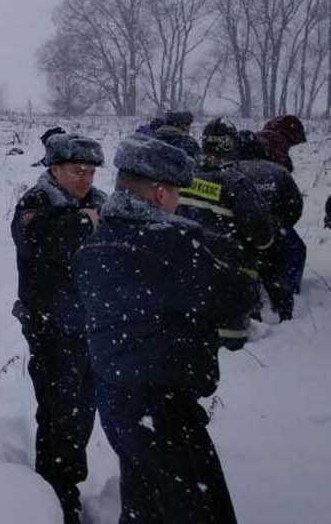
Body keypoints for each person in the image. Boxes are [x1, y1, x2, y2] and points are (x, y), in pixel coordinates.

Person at [75, 134, 256, 524]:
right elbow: (239, 298)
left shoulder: (97, 240)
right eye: (174, 193)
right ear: (159, 194)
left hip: (115, 399)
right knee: (200, 512)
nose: (177, 202)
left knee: (144, 503)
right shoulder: (175, 245)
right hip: (164, 408)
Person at [11, 132, 105, 522]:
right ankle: (53, 493)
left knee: (83, 411)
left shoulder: (98, 203)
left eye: (90, 171)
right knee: (58, 412)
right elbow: (39, 240)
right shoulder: (37, 202)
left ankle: (70, 484)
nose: (84, 178)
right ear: (54, 170)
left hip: (90, 326)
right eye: (76, 170)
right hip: (51, 327)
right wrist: (84, 222)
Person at [177, 119, 274, 337]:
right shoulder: (238, 184)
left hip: (185, 278)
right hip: (232, 280)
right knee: (239, 346)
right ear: (232, 145)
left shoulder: (182, 177)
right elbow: (262, 235)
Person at [235, 119, 307, 319]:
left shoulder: (230, 171)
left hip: (237, 231)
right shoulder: (279, 171)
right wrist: (281, 224)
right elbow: (295, 205)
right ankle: (287, 297)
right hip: (273, 229)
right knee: (290, 254)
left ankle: (251, 305)